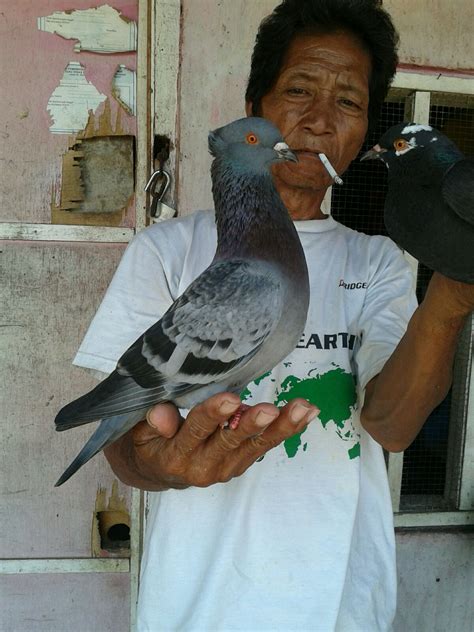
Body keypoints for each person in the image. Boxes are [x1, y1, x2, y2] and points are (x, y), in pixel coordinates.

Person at [74, 0, 474, 629]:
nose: (317, 122)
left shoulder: (380, 262)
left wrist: (457, 281)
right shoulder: (168, 249)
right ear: (256, 104)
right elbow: (127, 445)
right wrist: (163, 464)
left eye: (349, 102)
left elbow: (393, 425)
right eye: (298, 91)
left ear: (366, 130)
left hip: (339, 605)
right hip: (199, 609)